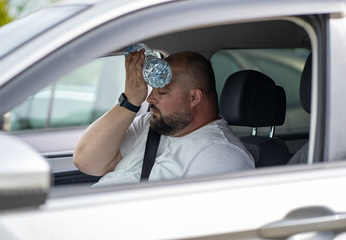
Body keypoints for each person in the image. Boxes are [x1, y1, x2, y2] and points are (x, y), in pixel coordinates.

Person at [73, 50, 254, 186]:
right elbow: (87, 161)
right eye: (152, 89)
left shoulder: (220, 155)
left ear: (194, 98)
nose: (150, 98)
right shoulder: (152, 124)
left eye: (163, 92)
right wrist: (130, 102)